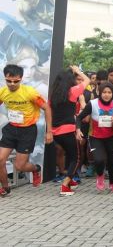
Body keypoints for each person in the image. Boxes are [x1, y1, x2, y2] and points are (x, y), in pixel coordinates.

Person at [0, 64, 52, 196]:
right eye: (9, 81)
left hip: (27, 131)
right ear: (5, 78)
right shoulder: (3, 92)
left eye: (15, 81)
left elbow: (47, 108)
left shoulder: (30, 92)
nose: (12, 84)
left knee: (19, 166)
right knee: (0, 160)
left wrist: (49, 131)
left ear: (21, 79)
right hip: (11, 129)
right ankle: (5, 188)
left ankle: (35, 169)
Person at [49, 65, 88, 196]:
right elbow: (87, 81)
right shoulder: (72, 92)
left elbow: (48, 114)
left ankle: (70, 180)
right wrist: (78, 71)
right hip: (68, 130)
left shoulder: (53, 96)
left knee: (71, 156)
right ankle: (65, 185)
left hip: (56, 133)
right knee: (77, 158)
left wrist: (49, 131)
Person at [76, 82, 113, 193]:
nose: (107, 95)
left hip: (111, 137)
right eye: (104, 92)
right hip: (96, 137)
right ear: (99, 93)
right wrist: (78, 130)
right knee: (99, 160)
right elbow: (79, 117)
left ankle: (112, 182)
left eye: (109, 92)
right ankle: (100, 176)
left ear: (112, 94)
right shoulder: (92, 103)